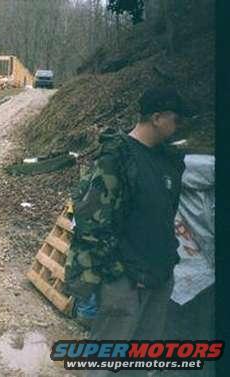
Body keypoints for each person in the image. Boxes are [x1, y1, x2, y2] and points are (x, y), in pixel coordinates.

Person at [64, 86, 191, 376]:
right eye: (176, 118)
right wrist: (119, 275)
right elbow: (92, 223)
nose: (179, 124)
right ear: (156, 117)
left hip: (159, 277)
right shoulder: (116, 157)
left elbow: (162, 216)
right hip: (125, 283)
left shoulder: (167, 160)